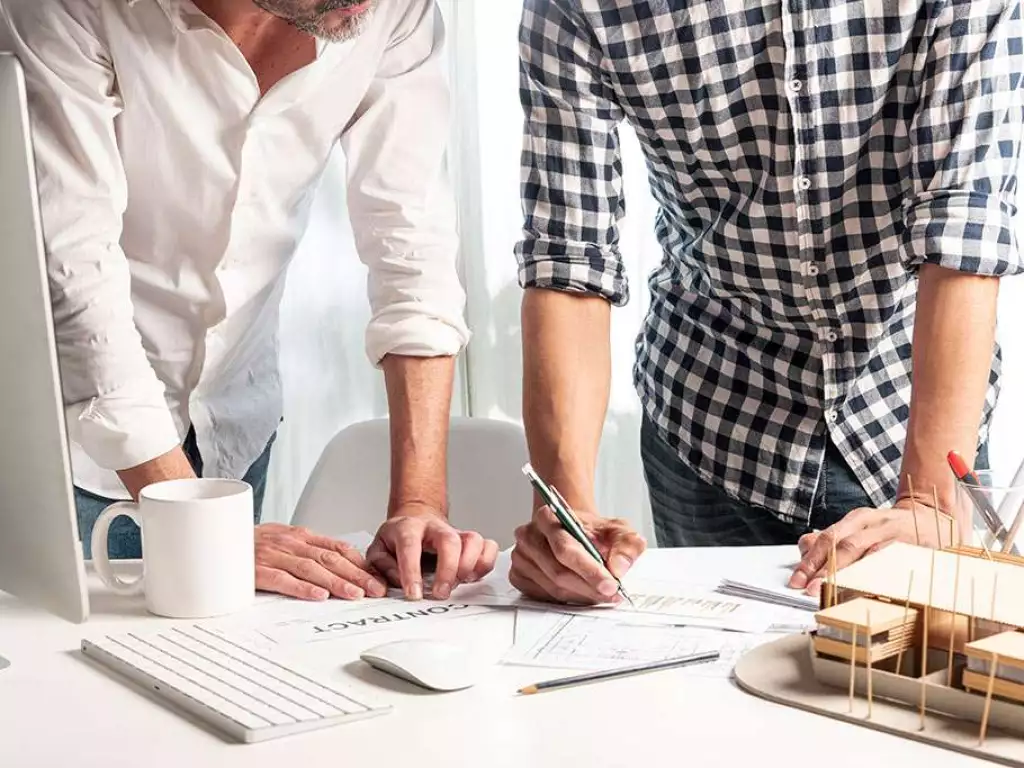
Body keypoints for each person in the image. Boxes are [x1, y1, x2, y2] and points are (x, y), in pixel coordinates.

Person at [508, 0, 1023, 604]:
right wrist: (567, 517)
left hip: (914, 421)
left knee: (906, 685)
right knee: (705, 687)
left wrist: (930, 500)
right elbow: (570, 255)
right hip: (710, 425)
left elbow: (965, 224)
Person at [0, 0, 498, 602]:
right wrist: (199, 528)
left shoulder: (392, 10)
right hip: (63, 440)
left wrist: (418, 502)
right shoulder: (66, 9)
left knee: (222, 678)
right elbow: (72, 270)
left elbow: (411, 243)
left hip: (233, 425)